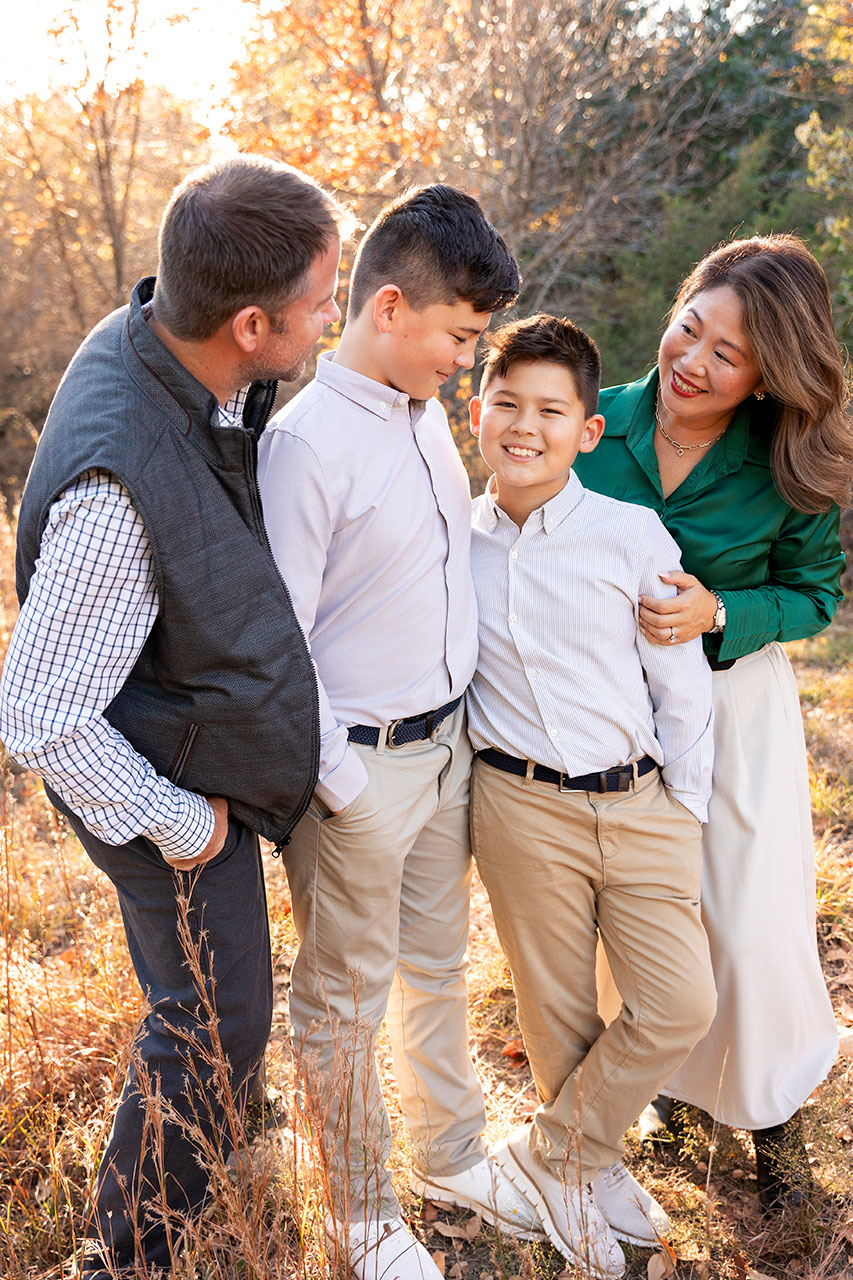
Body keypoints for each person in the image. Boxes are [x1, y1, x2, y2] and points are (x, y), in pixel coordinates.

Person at [0, 155, 350, 1278]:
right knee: (210, 1022)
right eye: (320, 300)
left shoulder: (175, 339)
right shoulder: (117, 493)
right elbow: (38, 710)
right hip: (146, 774)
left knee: (217, 1017)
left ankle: (200, 1163)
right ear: (249, 324)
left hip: (181, 728)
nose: (333, 314)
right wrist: (177, 821)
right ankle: (126, 1255)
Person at [256, 185, 537, 1280]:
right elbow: (279, 642)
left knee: (435, 963)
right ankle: (361, 1214)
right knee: (342, 997)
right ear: (387, 307)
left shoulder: (422, 418)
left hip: (446, 749)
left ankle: (452, 1154)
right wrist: (343, 786)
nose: (468, 362)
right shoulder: (304, 447)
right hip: (358, 772)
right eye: (459, 337)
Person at [574, 234, 853, 1211]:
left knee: (744, 915)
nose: (691, 359)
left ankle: (776, 1118)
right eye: (688, 327)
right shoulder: (590, 425)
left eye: (725, 353)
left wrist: (722, 611)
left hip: (732, 707)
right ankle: (676, 1093)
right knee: (644, 909)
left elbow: (815, 594)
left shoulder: (785, 461)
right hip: (606, 713)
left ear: (765, 374)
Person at [464, 313, 717, 1277]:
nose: (525, 427)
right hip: (519, 808)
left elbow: (682, 687)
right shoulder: (455, 536)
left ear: (588, 430)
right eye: (508, 404)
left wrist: (682, 809)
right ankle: (585, 1168)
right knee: (556, 1014)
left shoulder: (629, 535)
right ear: (477, 409)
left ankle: (550, 1156)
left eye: (551, 411)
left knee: (678, 1000)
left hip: (641, 802)